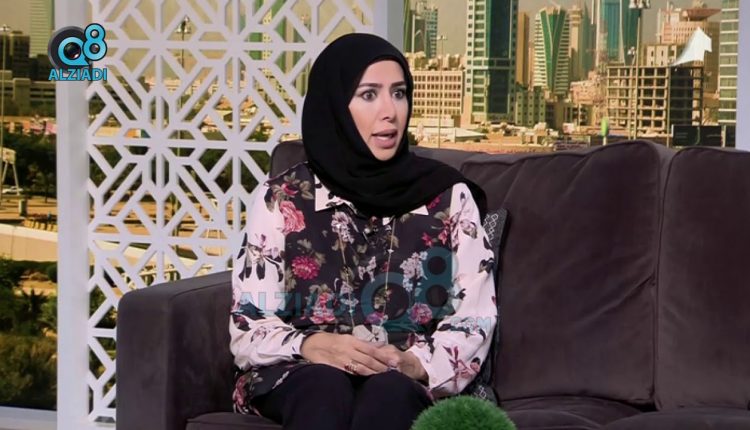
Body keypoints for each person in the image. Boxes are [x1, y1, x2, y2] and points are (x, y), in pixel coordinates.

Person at [230, 33, 497, 430]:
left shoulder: (447, 197)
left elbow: (474, 318)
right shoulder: (282, 198)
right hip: (301, 371)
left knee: (389, 392)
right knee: (323, 387)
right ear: (336, 106)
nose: (390, 111)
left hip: (404, 376)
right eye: (369, 95)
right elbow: (248, 325)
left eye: (399, 93)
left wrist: (416, 364)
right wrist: (310, 344)